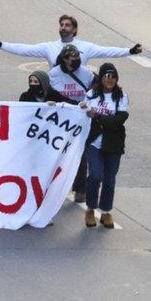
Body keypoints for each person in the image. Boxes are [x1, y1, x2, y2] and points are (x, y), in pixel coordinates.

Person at [0, 14, 143, 67]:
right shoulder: (49, 47)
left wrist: (130, 50)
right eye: (61, 25)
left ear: (75, 30)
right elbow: (24, 49)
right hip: (56, 93)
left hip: (78, 95)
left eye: (67, 25)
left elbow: (108, 51)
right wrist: (1, 44)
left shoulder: (86, 47)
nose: (63, 27)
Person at [81, 63, 129, 229]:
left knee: (109, 179)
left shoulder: (121, 96)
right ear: (101, 78)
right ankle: (90, 208)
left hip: (113, 143)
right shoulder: (91, 95)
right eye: (107, 77)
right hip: (94, 142)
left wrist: (98, 117)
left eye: (113, 77)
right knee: (95, 174)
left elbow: (119, 120)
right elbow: (83, 114)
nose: (110, 80)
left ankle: (106, 211)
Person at [48, 45, 95, 203]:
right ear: (64, 59)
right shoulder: (54, 74)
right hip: (61, 120)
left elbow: (95, 90)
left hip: (80, 119)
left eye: (76, 57)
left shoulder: (86, 73)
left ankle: (80, 188)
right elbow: (49, 95)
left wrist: (87, 102)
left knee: (80, 154)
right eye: (71, 58)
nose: (75, 61)